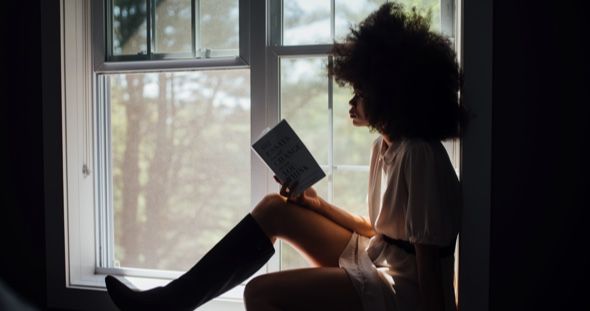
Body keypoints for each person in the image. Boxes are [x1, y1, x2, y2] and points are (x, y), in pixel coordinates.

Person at [105, 2, 466, 311]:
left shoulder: (420, 154)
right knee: (273, 209)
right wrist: (316, 204)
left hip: (402, 292)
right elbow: (376, 229)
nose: (352, 101)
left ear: (391, 94)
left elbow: (431, 265)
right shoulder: (385, 147)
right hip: (377, 258)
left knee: (259, 294)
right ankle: (168, 302)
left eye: (360, 91)